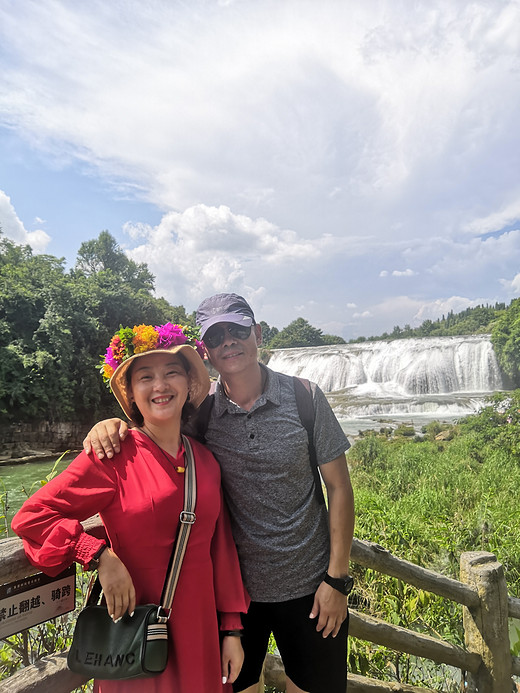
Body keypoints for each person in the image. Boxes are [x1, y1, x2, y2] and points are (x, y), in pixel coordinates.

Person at [84, 295, 355, 693]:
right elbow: (156, 436)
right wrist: (111, 426)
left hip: (312, 589)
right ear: (205, 351)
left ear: (257, 333)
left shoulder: (305, 398)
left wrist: (337, 581)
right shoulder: (200, 412)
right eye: (216, 335)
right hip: (232, 599)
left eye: (238, 330)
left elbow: (339, 488)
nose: (229, 341)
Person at [12, 323, 248, 692]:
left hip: (200, 629)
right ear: (132, 395)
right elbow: (32, 517)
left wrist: (231, 629)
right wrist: (98, 556)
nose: (160, 386)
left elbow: (221, 548)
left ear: (188, 385)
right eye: (146, 377)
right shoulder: (111, 456)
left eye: (172, 373)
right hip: (134, 635)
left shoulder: (206, 461)